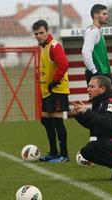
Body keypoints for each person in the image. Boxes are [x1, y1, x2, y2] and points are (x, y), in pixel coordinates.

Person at [72, 75, 112, 180]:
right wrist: (79, 115)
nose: (88, 89)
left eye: (92, 87)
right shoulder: (101, 102)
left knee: (91, 148)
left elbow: (108, 123)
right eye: (88, 86)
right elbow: (94, 126)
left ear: (102, 89)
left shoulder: (111, 102)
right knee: (87, 151)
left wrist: (87, 112)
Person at [32, 20, 70, 163]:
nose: (39, 36)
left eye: (41, 33)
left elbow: (64, 64)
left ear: (47, 31)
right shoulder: (44, 48)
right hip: (48, 91)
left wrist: (54, 81)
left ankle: (64, 155)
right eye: (36, 34)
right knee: (45, 120)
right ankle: (54, 152)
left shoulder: (54, 46)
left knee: (57, 121)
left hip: (57, 89)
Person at [81, 4, 112, 101]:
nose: (107, 16)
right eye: (104, 14)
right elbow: (85, 52)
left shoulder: (96, 30)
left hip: (104, 73)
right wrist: (95, 72)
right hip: (98, 73)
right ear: (96, 15)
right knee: (107, 102)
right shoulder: (93, 31)